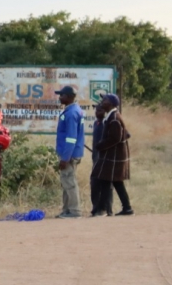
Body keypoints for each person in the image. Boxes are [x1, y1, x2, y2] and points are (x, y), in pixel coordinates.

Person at [92, 93, 134, 216]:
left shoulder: (114, 118)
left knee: (110, 180)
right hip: (113, 156)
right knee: (112, 181)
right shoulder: (112, 116)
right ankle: (123, 208)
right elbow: (125, 134)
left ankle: (104, 209)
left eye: (104, 100)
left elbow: (115, 138)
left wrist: (101, 145)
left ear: (110, 104)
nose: (102, 102)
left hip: (114, 156)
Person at [54, 85, 85, 219]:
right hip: (71, 153)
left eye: (62, 95)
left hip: (69, 154)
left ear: (69, 97)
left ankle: (74, 211)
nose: (60, 98)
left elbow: (71, 138)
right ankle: (67, 210)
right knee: (66, 182)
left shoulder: (71, 113)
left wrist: (65, 158)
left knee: (69, 182)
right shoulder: (73, 110)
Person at [89, 104, 114, 217]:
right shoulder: (96, 123)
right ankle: (95, 208)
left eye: (100, 110)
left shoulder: (107, 123)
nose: (97, 112)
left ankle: (106, 209)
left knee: (105, 184)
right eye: (96, 110)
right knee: (94, 183)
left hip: (105, 158)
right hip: (96, 157)